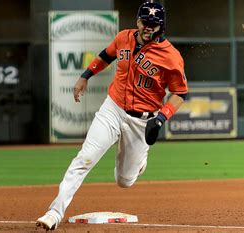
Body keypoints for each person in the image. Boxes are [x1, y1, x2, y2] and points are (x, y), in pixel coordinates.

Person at [36, 2, 188, 230]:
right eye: (144, 22)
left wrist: (161, 118)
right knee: (84, 159)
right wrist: (85, 75)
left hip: (142, 120)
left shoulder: (171, 57)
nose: (148, 28)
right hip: (113, 109)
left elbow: (180, 93)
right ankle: (54, 212)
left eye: (153, 25)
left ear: (161, 27)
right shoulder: (124, 38)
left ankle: (138, 162)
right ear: (137, 21)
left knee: (124, 181)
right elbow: (106, 56)